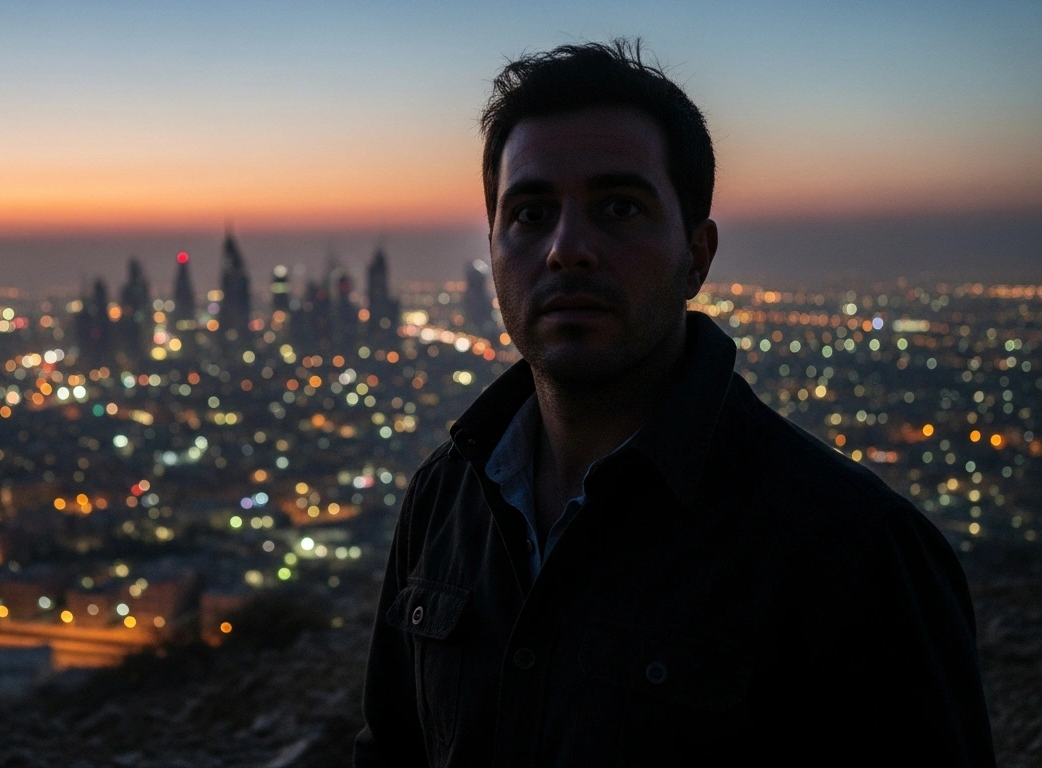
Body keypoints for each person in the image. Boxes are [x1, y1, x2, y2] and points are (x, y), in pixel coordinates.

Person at [354, 40, 994, 766]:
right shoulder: (445, 498)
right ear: (494, 246)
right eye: (531, 214)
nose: (567, 249)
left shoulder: (852, 548)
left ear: (698, 255)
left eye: (618, 208)